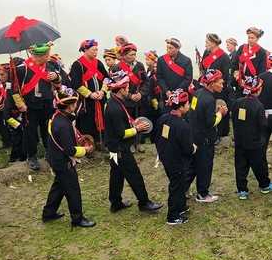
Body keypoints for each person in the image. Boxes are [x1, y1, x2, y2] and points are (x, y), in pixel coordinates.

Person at [103, 70, 163, 214]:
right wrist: (137, 128)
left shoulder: (113, 102)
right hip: (120, 149)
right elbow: (121, 133)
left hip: (114, 148)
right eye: (127, 87)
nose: (129, 89)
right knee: (134, 175)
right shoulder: (115, 108)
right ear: (121, 89)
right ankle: (144, 202)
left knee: (117, 175)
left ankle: (115, 202)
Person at [42, 87, 96, 228]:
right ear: (70, 106)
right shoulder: (64, 124)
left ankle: (48, 213)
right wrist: (84, 150)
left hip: (55, 159)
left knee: (58, 188)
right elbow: (69, 150)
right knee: (73, 191)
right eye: (74, 104)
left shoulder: (55, 117)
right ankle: (77, 219)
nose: (76, 106)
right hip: (63, 162)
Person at [11, 43, 69, 171]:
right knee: (30, 131)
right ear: (38, 56)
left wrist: (56, 77)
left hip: (47, 103)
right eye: (46, 55)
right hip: (30, 105)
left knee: (47, 129)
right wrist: (20, 103)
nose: (48, 57)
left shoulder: (49, 66)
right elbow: (14, 89)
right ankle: (31, 155)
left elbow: (60, 82)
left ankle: (49, 152)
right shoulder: (22, 69)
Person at [232, 76, 272, 199]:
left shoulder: (238, 102)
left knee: (241, 165)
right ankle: (265, 185)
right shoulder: (258, 105)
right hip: (254, 141)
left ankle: (242, 190)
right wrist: (265, 117)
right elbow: (263, 125)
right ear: (258, 90)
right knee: (259, 164)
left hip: (240, 139)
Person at [185, 69, 229, 202]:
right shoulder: (209, 99)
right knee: (204, 167)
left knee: (192, 166)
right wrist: (220, 113)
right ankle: (203, 194)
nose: (222, 85)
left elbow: (194, 113)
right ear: (211, 83)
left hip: (194, 135)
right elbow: (210, 122)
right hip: (205, 139)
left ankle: (183, 188)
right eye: (219, 83)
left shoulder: (197, 93)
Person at [155, 89, 195, 225]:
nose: (189, 106)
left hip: (167, 157)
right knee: (176, 187)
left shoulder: (164, 118)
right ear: (181, 107)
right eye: (187, 104)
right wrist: (193, 148)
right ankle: (173, 216)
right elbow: (188, 147)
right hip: (178, 161)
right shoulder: (182, 125)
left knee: (179, 183)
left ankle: (181, 206)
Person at [70, 39, 108, 149]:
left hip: (100, 98)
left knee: (101, 120)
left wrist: (102, 91)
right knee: (87, 122)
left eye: (97, 50)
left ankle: (100, 141)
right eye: (94, 50)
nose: (96, 52)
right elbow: (75, 84)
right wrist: (90, 94)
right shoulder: (77, 65)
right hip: (86, 101)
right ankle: (88, 144)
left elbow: (106, 78)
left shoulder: (98, 63)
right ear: (86, 50)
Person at [116, 43, 149, 152]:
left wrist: (141, 93)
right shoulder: (118, 67)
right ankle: (129, 143)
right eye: (131, 55)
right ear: (124, 55)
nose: (133, 57)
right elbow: (116, 85)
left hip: (139, 100)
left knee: (140, 120)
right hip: (126, 100)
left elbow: (146, 82)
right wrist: (130, 96)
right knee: (127, 122)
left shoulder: (139, 65)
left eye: (134, 54)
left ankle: (138, 142)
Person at [201, 33, 231, 141]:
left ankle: (220, 134)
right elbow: (203, 68)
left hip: (219, 88)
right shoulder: (206, 53)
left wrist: (216, 84)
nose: (205, 45)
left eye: (207, 42)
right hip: (207, 87)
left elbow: (225, 76)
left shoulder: (224, 57)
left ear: (213, 44)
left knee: (219, 109)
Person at [0, 63, 26, 163]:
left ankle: (21, 156)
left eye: (2, 74)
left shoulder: (15, 86)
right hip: (11, 115)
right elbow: (7, 114)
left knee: (21, 138)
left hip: (20, 114)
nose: (0, 77)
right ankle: (16, 157)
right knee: (16, 138)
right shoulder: (4, 86)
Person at [156, 38, 193, 106]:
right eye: (167, 47)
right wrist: (167, 91)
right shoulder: (161, 60)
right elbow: (159, 77)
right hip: (166, 95)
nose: (168, 50)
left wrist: (176, 92)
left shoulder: (186, 61)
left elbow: (188, 78)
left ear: (177, 49)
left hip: (180, 95)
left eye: (171, 48)